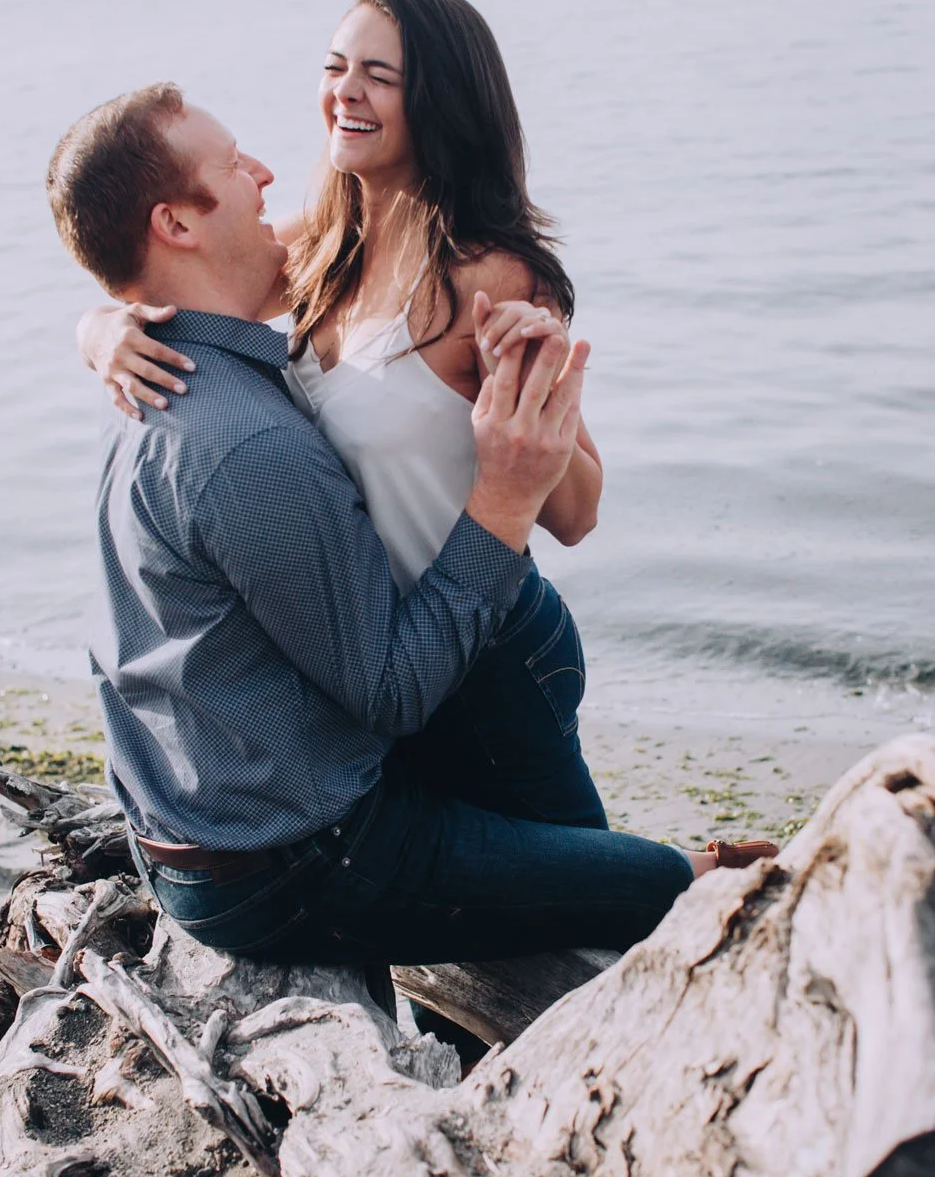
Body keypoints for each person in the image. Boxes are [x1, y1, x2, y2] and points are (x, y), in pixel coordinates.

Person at [47, 84, 777, 997]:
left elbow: (578, 510)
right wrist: (504, 500)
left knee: (570, 873)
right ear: (176, 223)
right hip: (296, 857)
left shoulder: (167, 373)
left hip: (210, 824)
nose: (268, 170)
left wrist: (101, 318)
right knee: (650, 884)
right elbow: (393, 689)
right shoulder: (240, 441)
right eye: (233, 166)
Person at [76, 0, 607, 836]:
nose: (345, 93)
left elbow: (578, 513)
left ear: (440, 101)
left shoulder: (491, 275)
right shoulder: (316, 246)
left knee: (596, 910)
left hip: (492, 654)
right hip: (382, 658)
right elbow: (181, 271)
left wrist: (529, 387)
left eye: (380, 76)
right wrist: (99, 328)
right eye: (335, 66)